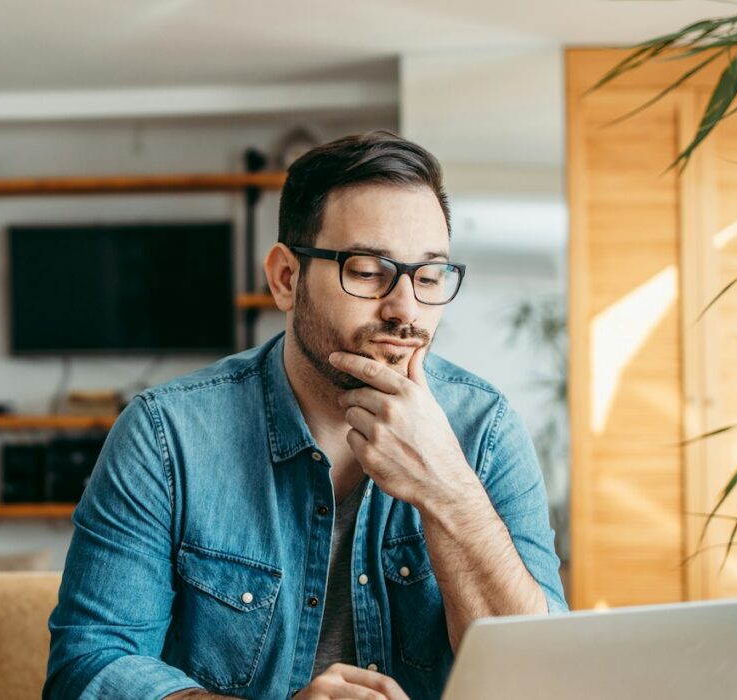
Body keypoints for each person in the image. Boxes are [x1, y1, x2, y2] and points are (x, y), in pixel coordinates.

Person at [44, 130, 566, 700]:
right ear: (286, 278)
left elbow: (542, 678)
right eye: (368, 271)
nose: (405, 309)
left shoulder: (485, 431)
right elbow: (87, 670)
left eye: (429, 275)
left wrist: (448, 490)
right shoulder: (165, 436)